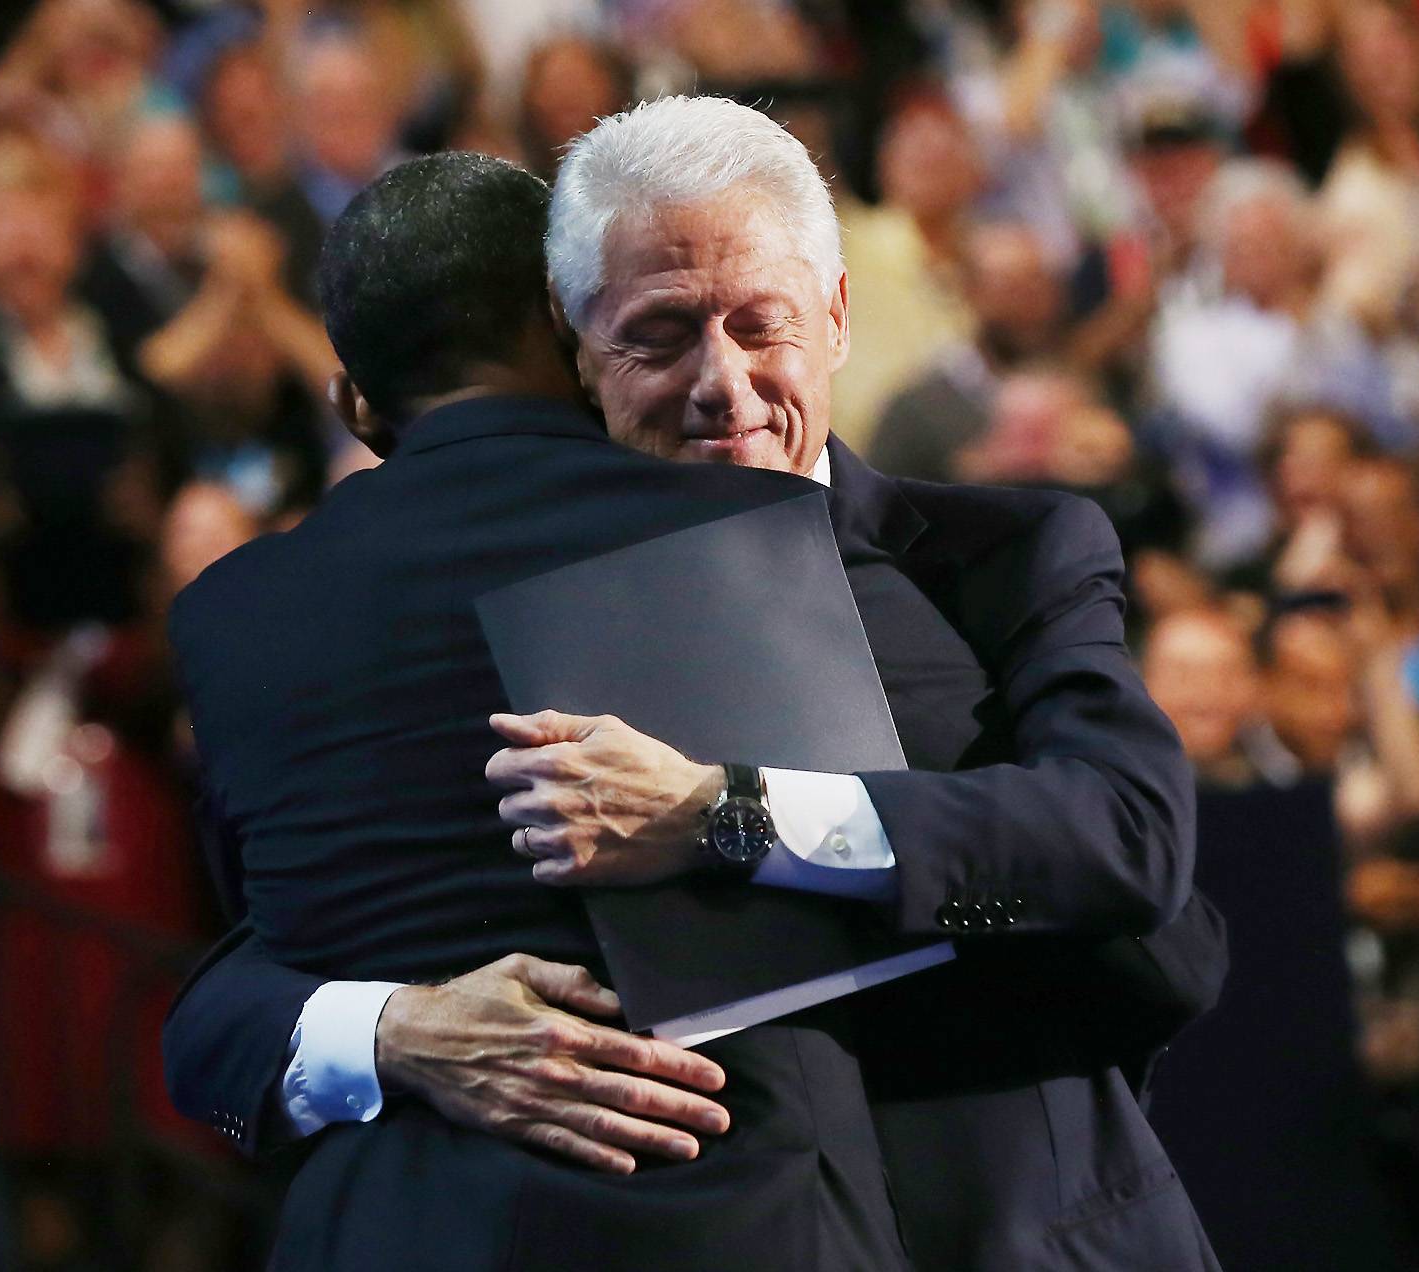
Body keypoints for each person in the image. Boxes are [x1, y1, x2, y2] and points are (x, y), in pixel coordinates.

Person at [167, 99, 1223, 1270]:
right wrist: (395, 1028)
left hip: (1007, 1233)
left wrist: (733, 818)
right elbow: (224, 1021)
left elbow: (1156, 928)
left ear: (835, 316)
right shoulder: (503, 609)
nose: (723, 385)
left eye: (759, 324)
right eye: (662, 335)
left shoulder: (995, 561)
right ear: (576, 355)